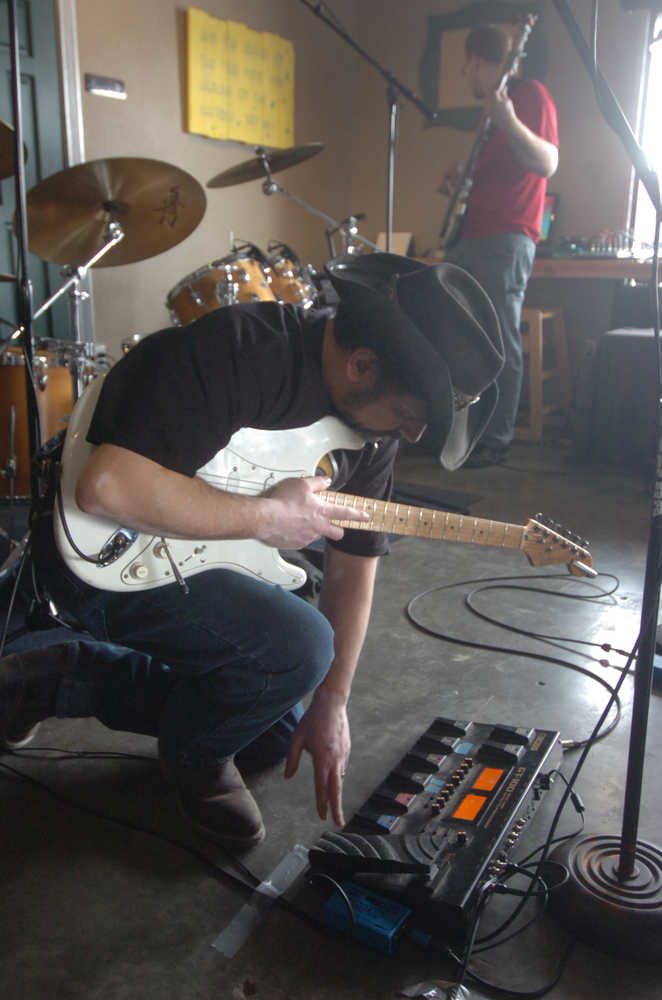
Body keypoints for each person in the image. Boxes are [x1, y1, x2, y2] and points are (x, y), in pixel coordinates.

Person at [0, 252, 503, 851]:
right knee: (299, 649)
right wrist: (268, 518)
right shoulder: (245, 350)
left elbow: (354, 563)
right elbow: (107, 488)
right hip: (102, 550)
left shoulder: (374, 428)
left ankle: (58, 678)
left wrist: (333, 703)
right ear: (362, 364)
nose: (412, 433)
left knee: (275, 729)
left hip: (199, 552)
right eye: (408, 414)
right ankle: (194, 761)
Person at [439, 23, 559, 467]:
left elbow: (547, 161)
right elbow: (499, 172)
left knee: (498, 338)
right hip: (472, 236)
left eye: (466, 66)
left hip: (505, 239)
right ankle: (462, 434)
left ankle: (495, 439)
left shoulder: (530, 96)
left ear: (478, 61)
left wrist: (508, 119)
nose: (466, 75)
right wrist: (460, 181)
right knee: (464, 336)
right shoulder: (490, 113)